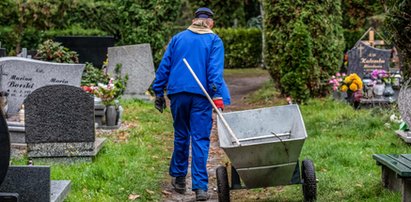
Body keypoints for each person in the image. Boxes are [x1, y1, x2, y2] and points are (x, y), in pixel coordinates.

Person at [152, 7, 230, 201]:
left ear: (195, 20)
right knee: (200, 139)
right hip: (201, 96)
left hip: (178, 94)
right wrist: (217, 95)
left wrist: (158, 91)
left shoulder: (178, 38)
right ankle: (200, 187)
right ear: (210, 22)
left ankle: (178, 179)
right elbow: (214, 71)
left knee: (181, 135)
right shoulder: (214, 40)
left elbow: (165, 66)